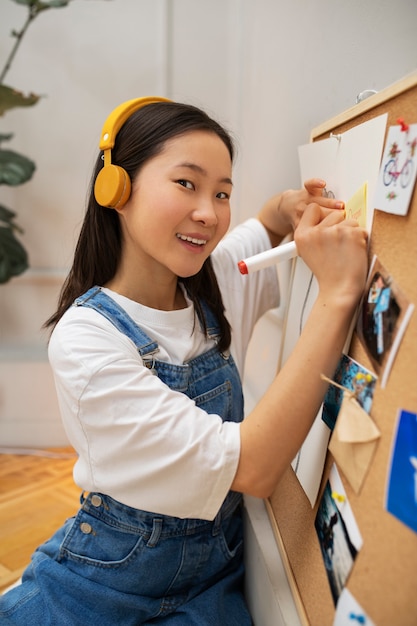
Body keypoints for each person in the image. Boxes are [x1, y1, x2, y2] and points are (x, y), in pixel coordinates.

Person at [0, 97, 368, 625]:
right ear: (116, 190)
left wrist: (285, 209)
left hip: (210, 585)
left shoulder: (213, 280)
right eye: (186, 184)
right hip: (103, 584)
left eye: (222, 193)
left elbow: (261, 227)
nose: (210, 213)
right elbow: (256, 465)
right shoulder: (86, 342)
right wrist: (338, 298)